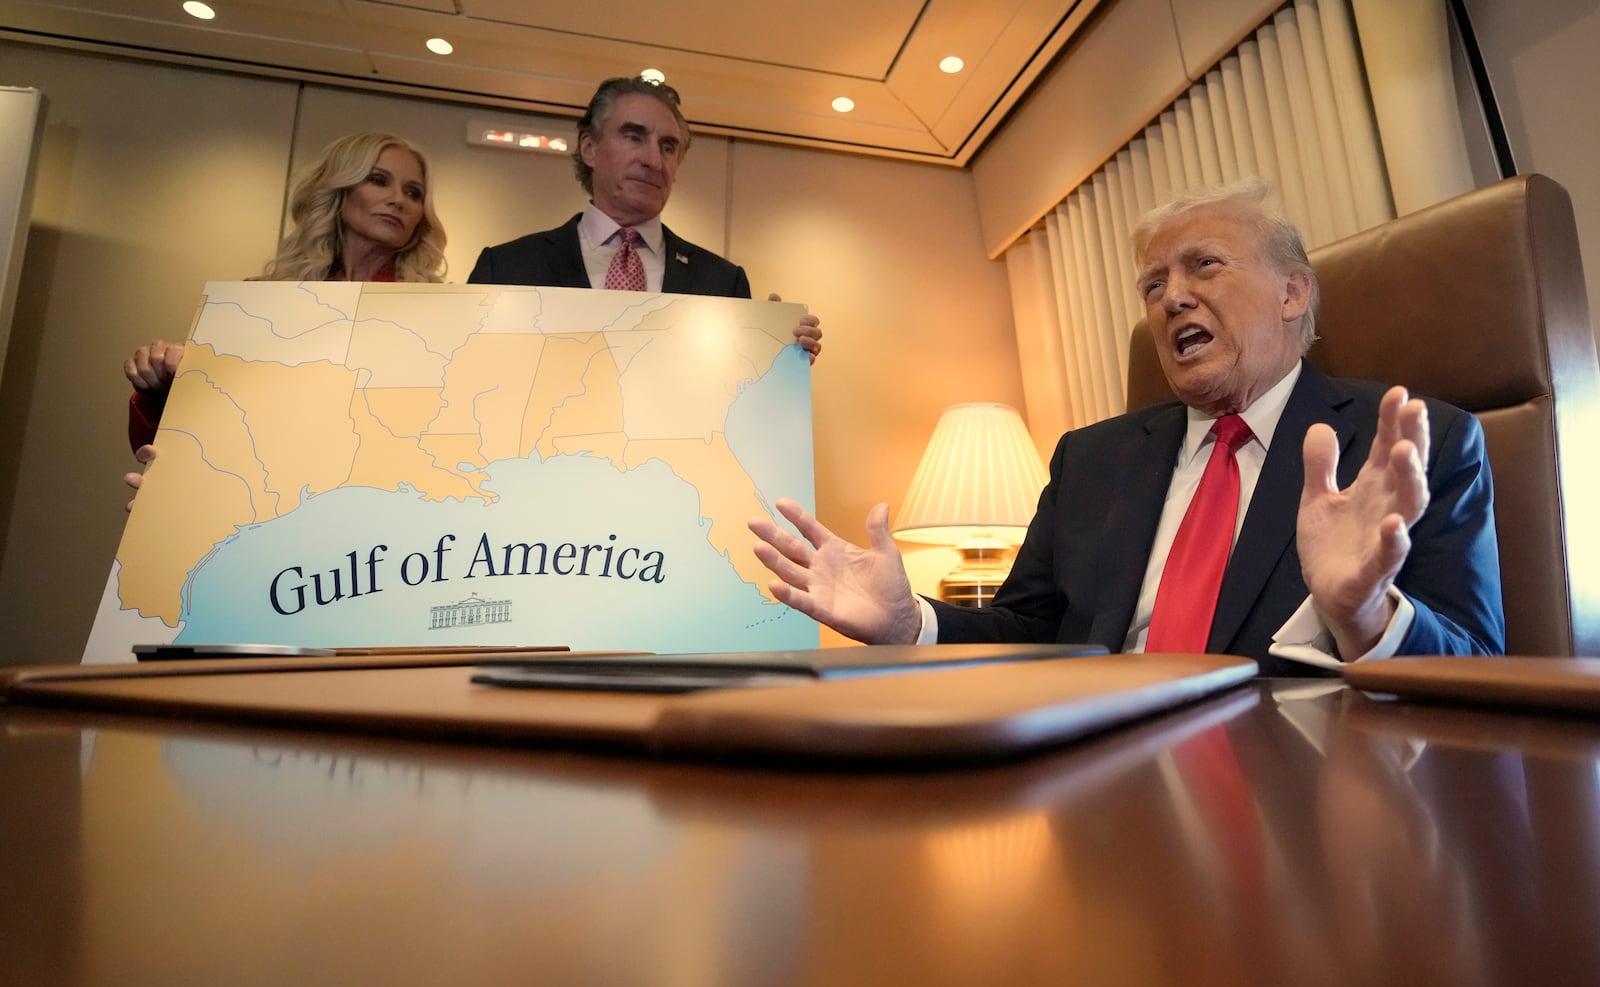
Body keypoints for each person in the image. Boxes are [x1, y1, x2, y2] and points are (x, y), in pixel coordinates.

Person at [748, 180, 1504, 673]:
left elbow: (1478, 668)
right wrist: (911, 622)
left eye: (1204, 266)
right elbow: (1030, 633)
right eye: (1153, 283)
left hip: (1298, 808)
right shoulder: (1092, 459)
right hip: (1096, 799)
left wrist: (1368, 617)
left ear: (1291, 293)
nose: (1171, 298)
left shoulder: (1408, 446)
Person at [121, 132, 447, 501]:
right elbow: (200, 432)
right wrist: (161, 385)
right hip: (268, 508)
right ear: (339, 189)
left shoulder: (437, 316)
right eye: (378, 179)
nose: (398, 200)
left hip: (389, 512)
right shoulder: (257, 302)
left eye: (413, 193)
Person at [467, 75, 822, 361]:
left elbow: (739, 406)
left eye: (668, 147)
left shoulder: (723, 284)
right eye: (634, 136)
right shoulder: (505, 269)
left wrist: (777, 361)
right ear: (589, 148)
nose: (653, 160)